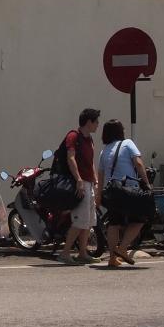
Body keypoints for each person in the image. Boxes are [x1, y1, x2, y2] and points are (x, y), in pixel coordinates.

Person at [96, 119, 149, 268]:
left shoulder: (104, 151)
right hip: (128, 189)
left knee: (114, 223)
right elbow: (138, 163)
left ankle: (112, 258)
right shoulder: (128, 143)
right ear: (119, 131)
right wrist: (146, 183)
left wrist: (98, 195)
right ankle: (123, 248)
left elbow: (100, 175)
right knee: (140, 219)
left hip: (112, 191)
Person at [58, 108, 101, 265]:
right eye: (96, 121)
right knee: (79, 220)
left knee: (88, 222)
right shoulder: (73, 136)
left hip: (89, 183)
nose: (98, 124)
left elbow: (91, 162)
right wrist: (79, 180)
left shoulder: (89, 139)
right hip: (79, 183)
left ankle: (82, 253)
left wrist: (95, 181)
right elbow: (71, 158)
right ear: (89, 122)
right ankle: (65, 253)